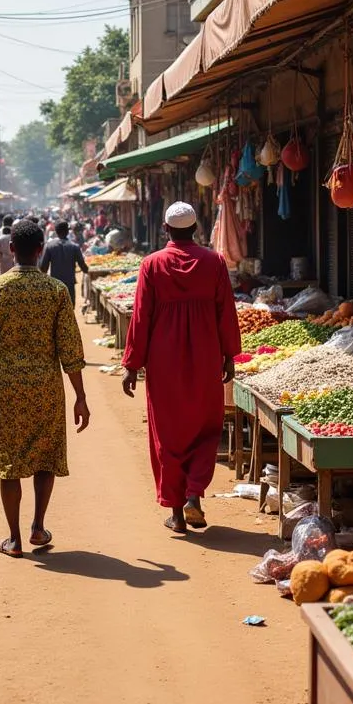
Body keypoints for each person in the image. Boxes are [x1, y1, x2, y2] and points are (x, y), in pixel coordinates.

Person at [0, 219, 90, 557]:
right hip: (46, 387)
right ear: (40, 250)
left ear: (10, 250)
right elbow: (70, 348)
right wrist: (80, 397)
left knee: (10, 462)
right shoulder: (55, 291)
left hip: (6, 387)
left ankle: (14, 539)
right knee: (44, 458)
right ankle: (38, 526)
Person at [121, 201, 240, 534]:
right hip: (204, 356)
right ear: (196, 229)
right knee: (205, 427)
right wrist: (229, 354)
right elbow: (225, 311)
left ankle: (176, 513)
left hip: (164, 360)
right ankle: (193, 495)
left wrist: (132, 364)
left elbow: (141, 316)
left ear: (165, 229)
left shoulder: (152, 264)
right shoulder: (214, 262)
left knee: (168, 433)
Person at [39, 220, 89, 307]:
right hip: (69, 283)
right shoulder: (74, 247)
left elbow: (43, 268)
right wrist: (88, 270)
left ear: (56, 231)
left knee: (56, 308)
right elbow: (83, 266)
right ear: (67, 231)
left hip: (55, 283)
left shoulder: (49, 246)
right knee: (69, 308)